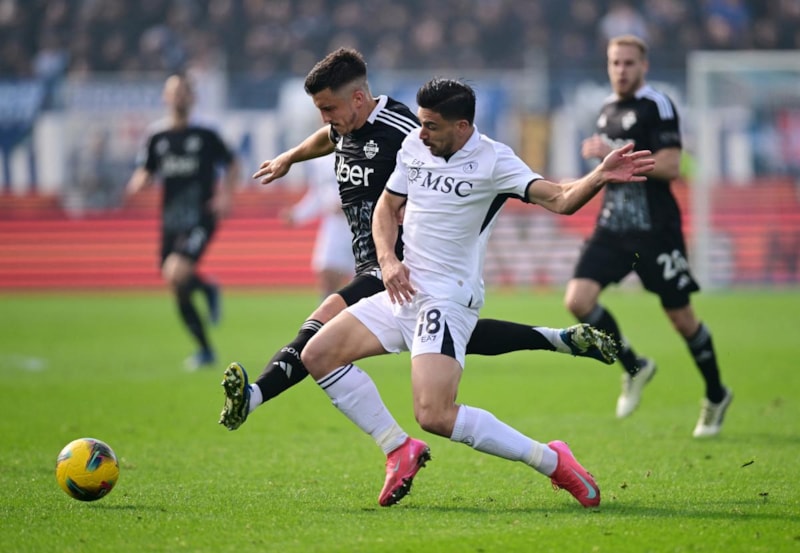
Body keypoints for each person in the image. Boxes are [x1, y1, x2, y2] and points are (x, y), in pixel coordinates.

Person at [297, 77, 655, 508]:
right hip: (403, 290)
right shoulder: (413, 147)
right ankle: (397, 447)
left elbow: (561, 198)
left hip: (446, 299)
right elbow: (386, 208)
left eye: (432, 126)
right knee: (317, 355)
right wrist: (388, 261)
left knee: (434, 414)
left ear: (462, 126)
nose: (421, 133)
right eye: (421, 123)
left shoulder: (494, 161)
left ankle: (554, 461)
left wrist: (599, 175)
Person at [218, 48, 618, 432]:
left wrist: (430, 225)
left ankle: (255, 397)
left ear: (357, 98)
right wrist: (290, 156)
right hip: (374, 258)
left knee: (318, 331)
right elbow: (329, 138)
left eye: (328, 108)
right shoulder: (345, 126)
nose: (325, 118)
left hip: (401, 263)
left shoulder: (409, 132)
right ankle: (555, 339)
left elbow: (448, 168)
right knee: (450, 336)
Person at [563, 35, 733, 437]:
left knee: (681, 319)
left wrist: (613, 154)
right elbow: (607, 173)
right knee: (578, 300)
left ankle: (716, 393)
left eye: (629, 63)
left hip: (655, 232)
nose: (621, 70)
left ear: (644, 66)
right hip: (612, 228)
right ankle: (634, 366)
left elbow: (672, 166)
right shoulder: (606, 110)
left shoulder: (658, 105)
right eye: (615, 63)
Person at [127, 73, 240, 370]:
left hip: (201, 215)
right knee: (175, 282)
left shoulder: (206, 133)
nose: (178, 97)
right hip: (171, 218)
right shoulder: (157, 136)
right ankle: (205, 346)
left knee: (176, 271)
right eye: (173, 91)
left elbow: (232, 163)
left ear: (192, 97)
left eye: (183, 91)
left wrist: (225, 196)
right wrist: (139, 180)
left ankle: (204, 291)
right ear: (165, 97)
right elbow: (146, 168)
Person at [281, 153, 354, 298]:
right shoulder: (320, 161)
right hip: (334, 226)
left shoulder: (365, 150)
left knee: (365, 281)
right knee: (327, 274)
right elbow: (317, 195)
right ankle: (326, 312)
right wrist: (297, 214)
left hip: (364, 224)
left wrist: (351, 205)